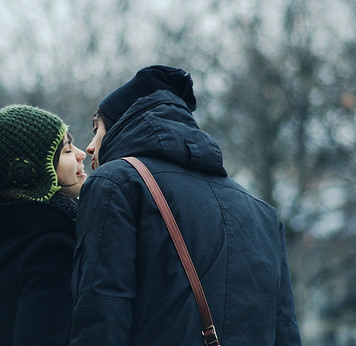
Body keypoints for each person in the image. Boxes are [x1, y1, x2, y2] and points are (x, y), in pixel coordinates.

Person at [69, 65, 301, 345]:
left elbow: (103, 313)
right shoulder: (262, 212)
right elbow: (285, 329)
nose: (90, 147)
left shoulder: (117, 183)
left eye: (97, 129)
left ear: (122, 125)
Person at [0, 104, 86, 345]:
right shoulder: (51, 248)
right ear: (34, 173)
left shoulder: (3, 243)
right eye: (68, 150)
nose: (82, 154)